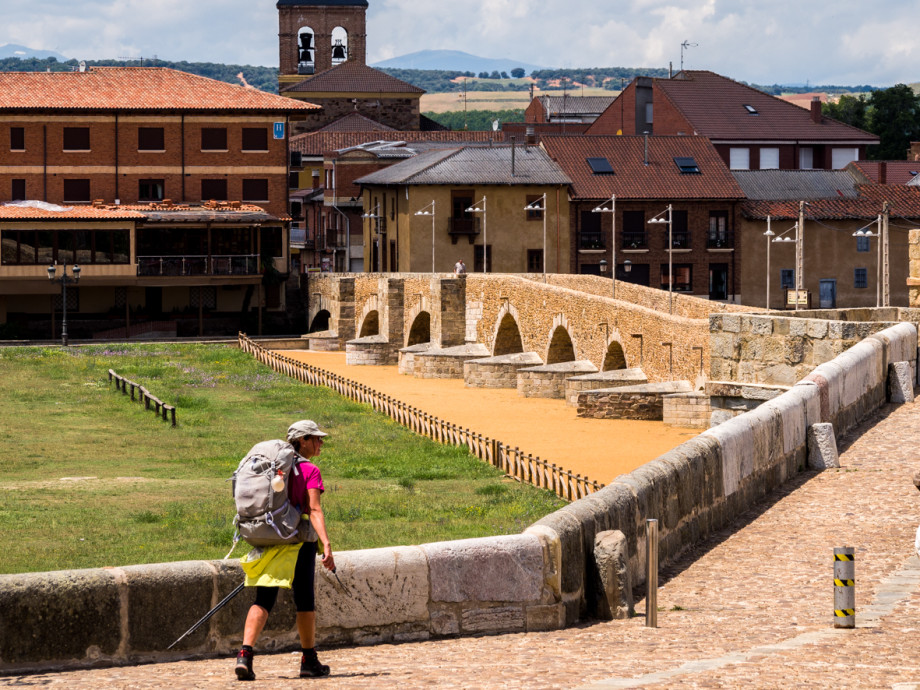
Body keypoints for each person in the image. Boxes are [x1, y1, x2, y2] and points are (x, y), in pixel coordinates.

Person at [235, 420, 335, 681]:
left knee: (263, 599)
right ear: (303, 441)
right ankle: (309, 660)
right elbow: (314, 510)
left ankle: (245, 655)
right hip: (298, 543)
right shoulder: (310, 470)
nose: (321, 443)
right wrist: (326, 544)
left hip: (270, 537)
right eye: (316, 438)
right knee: (305, 599)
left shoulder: (275, 470)